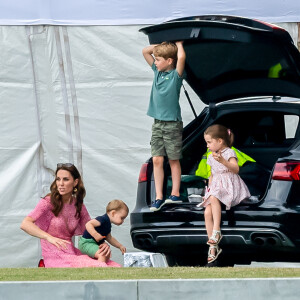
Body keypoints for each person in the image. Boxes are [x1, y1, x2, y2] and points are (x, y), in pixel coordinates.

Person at [20, 163, 121, 268]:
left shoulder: (78, 205)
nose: (61, 183)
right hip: (53, 253)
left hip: (71, 251)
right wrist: (49, 237)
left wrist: (102, 244)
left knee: (115, 265)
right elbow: (25, 224)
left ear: (75, 182)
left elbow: (90, 231)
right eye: (58, 179)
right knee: (99, 266)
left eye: (65, 179)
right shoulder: (48, 202)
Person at [142, 41, 186, 212]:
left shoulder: (175, 76)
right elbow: (145, 51)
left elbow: (181, 57)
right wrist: (160, 45)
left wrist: (179, 44)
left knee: (173, 159)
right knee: (157, 159)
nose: (155, 61)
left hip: (172, 124)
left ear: (169, 61)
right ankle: (159, 196)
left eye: (159, 59)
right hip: (157, 123)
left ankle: (175, 194)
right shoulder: (157, 73)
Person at [198, 124, 250, 263]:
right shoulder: (210, 157)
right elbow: (212, 176)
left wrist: (223, 161)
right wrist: (207, 190)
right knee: (207, 212)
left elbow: (235, 169)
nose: (207, 145)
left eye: (209, 142)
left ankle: (216, 231)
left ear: (220, 141)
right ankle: (213, 247)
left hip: (230, 187)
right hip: (217, 187)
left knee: (214, 196)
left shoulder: (229, 153)